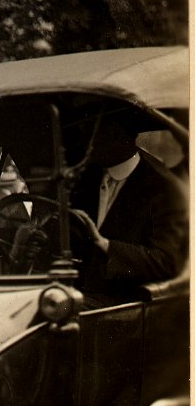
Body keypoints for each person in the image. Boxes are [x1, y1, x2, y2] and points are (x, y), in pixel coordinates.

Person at [68, 117, 188, 301]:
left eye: (93, 129)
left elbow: (166, 261)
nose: (84, 138)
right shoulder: (85, 180)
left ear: (119, 132)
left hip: (126, 305)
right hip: (76, 298)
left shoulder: (165, 189)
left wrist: (105, 245)